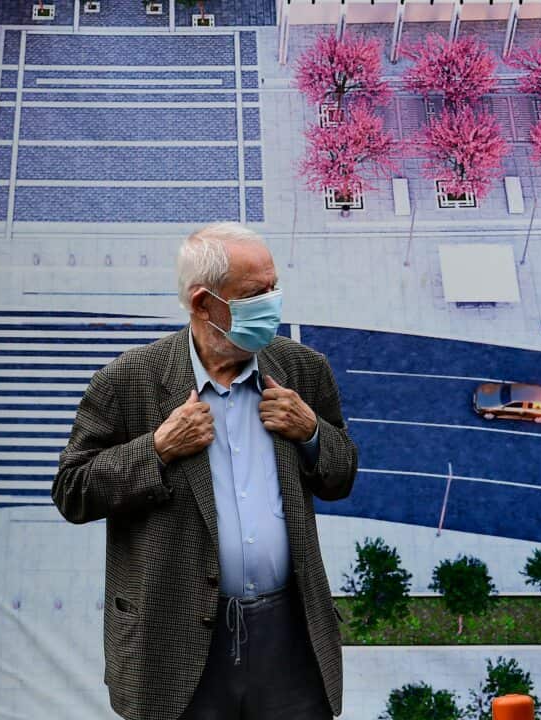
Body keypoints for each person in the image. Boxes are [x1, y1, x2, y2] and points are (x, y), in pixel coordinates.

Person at [53, 222, 358, 720]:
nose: (273, 302)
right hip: (173, 641)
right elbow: (72, 491)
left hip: (289, 639)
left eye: (274, 287)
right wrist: (156, 449)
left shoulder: (304, 370)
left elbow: (341, 477)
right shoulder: (127, 381)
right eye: (254, 294)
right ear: (202, 303)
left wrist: (312, 433)